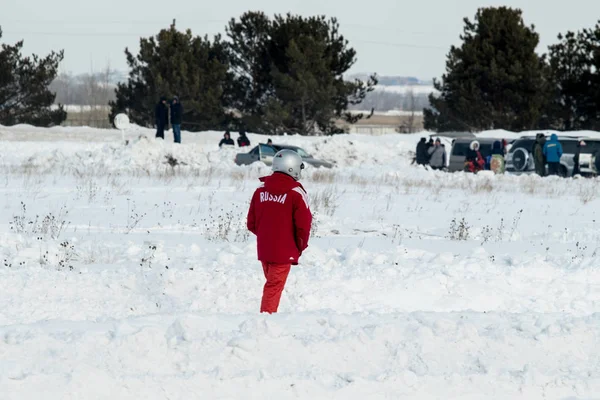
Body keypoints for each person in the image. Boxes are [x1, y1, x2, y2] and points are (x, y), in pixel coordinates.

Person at [247, 150, 312, 314]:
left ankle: (267, 317)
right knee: (273, 287)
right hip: (284, 251)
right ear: (291, 168)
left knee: (271, 284)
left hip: (265, 250)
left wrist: (267, 237)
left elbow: (251, 223)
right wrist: (299, 246)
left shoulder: (260, 190)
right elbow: (304, 226)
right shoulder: (296, 193)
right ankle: (266, 320)